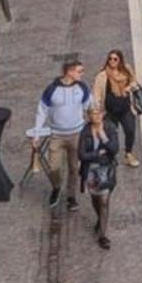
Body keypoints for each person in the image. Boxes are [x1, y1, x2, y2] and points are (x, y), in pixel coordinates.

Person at [30, 60, 90, 210]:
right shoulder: (52, 89)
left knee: (74, 168)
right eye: (79, 71)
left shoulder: (82, 87)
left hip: (77, 134)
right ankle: (56, 187)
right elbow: (42, 111)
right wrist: (36, 133)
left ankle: (71, 196)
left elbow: (89, 105)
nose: (82, 74)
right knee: (53, 167)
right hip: (57, 135)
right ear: (69, 71)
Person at [78, 107, 120, 249]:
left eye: (98, 113)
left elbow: (114, 149)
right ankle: (100, 219)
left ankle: (103, 235)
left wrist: (103, 137)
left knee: (104, 201)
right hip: (90, 169)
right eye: (92, 114)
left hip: (106, 168)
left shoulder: (109, 128)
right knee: (95, 199)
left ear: (103, 114)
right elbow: (82, 154)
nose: (95, 116)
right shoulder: (85, 131)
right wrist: (97, 153)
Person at [91, 50, 141, 168]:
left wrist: (128, 88)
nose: (112, 61)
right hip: (110, 111)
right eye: (110, 59)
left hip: (126, 108)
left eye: (115, 59)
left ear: (120, 60)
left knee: (130, 131)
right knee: (111, 134)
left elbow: (134, 82)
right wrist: (96, 110)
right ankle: (110, 156)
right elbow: (96, 94)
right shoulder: (102, 76)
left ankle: (128, 153)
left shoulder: (126, 69)